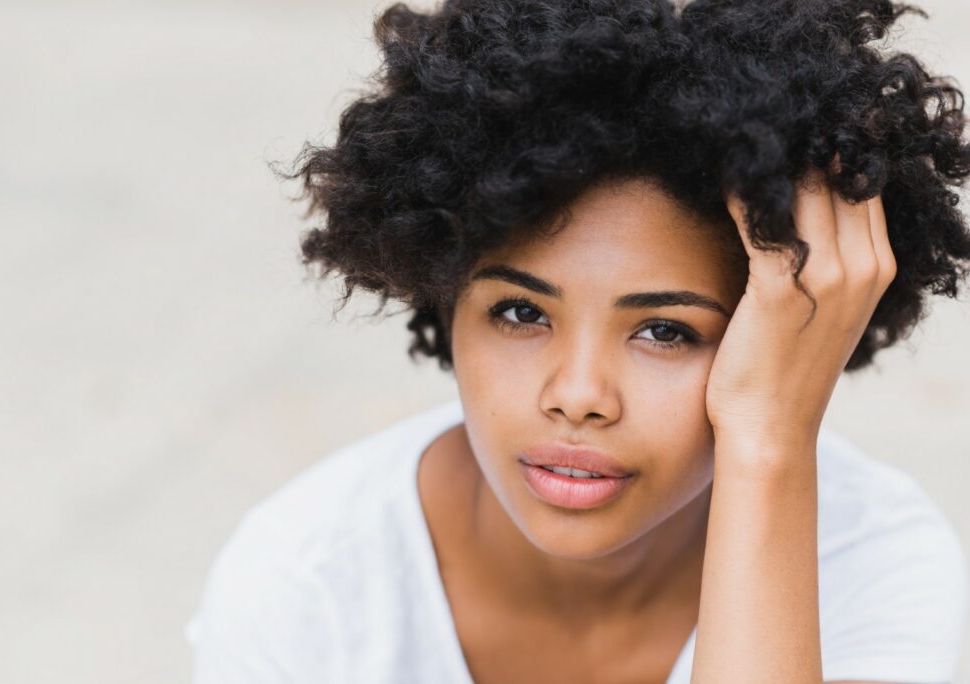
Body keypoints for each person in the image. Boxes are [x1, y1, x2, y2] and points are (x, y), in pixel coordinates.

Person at [187, 0, 970, 682]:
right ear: (443, 292)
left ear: (785, 336)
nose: (579, 395)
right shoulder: (305, 584)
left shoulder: (877, 570)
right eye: (522, 314)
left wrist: (771, 441)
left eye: (666, 330)